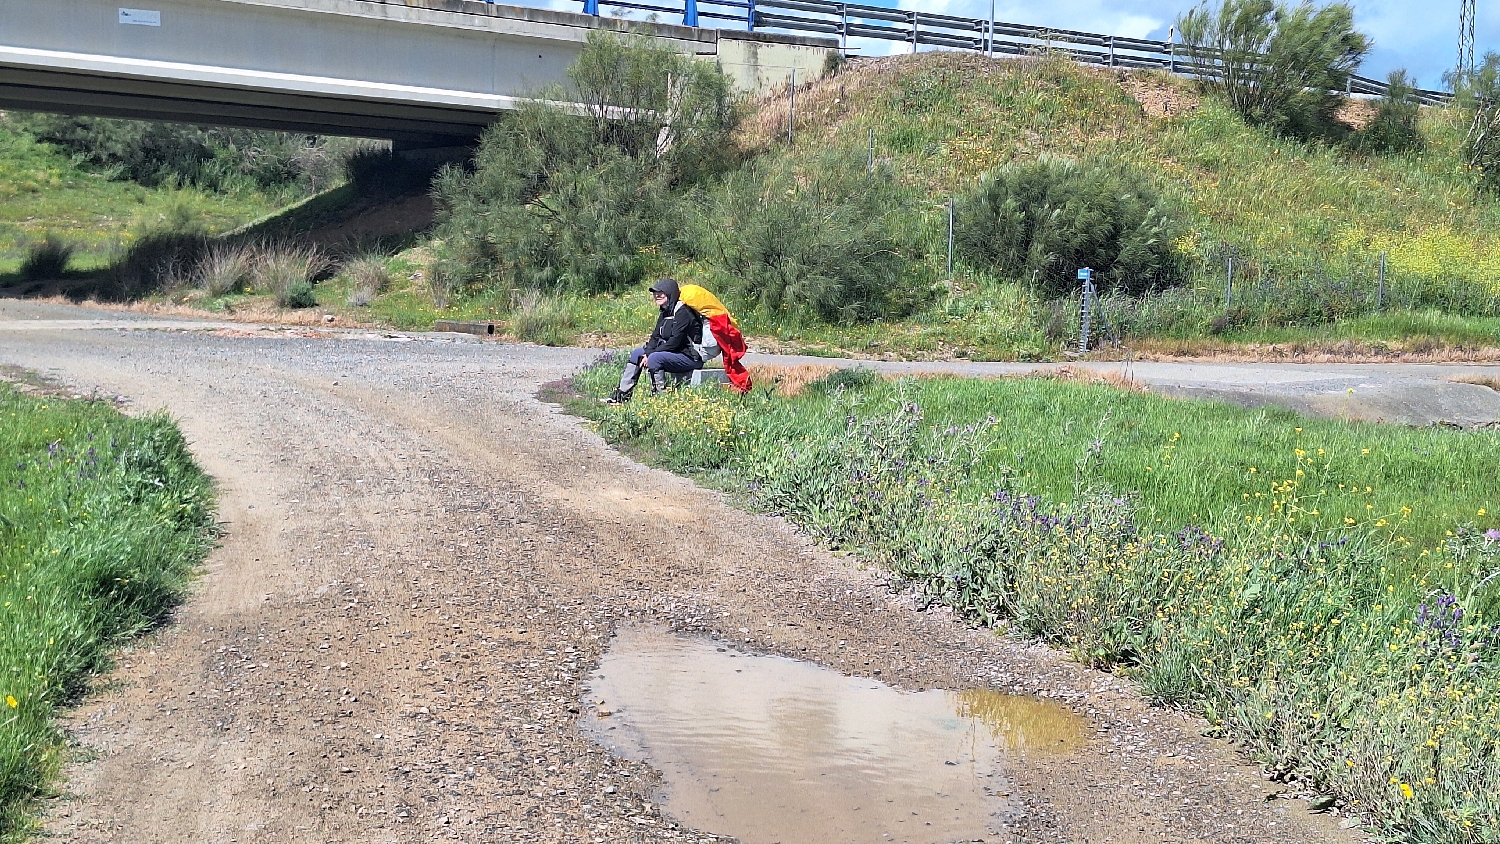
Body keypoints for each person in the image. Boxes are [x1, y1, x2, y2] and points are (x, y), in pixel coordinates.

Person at [606, 279, 703, 404]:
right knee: (637, 353)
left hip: (690, 357)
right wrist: (647, 352)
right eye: (655, 293)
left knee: (655, 358)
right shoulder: (666, 311)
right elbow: (655, 337)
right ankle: (623, 394)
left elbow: (674, 342)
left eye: (661, 292)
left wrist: (651, 355)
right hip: (674, 353)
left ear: (670, 293)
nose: (657, 295)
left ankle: (659, 397)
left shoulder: (683, 313)